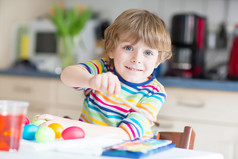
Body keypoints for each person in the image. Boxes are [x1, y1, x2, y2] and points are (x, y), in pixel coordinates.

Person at [36, 9, 172, 140]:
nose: (137, 59)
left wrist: (72, 125)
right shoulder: (102, 69)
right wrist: (90, 80)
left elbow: (125, 135)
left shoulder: (154, 92)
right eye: (128, 48)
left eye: (148, 53)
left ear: (158, 61)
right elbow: (66, 75)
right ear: (111, 49)